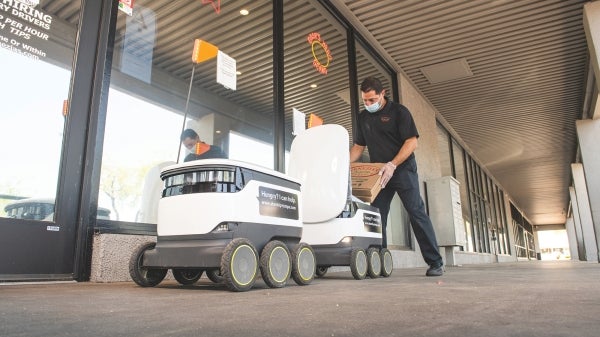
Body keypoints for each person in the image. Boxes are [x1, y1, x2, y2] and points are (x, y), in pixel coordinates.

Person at [349, 76, 444, 277]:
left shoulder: (399, 112)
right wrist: (343, 165)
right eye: (365, 100)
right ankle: (379, 260)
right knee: (376, 216)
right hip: (380, 174)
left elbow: (412, 142)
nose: (368, 104)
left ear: (383, 94)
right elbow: (359, 146)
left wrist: (393, 164)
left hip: (402, 169)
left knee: (416, 212)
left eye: (372, 100)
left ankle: (435, 262)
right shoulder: (363, 117)